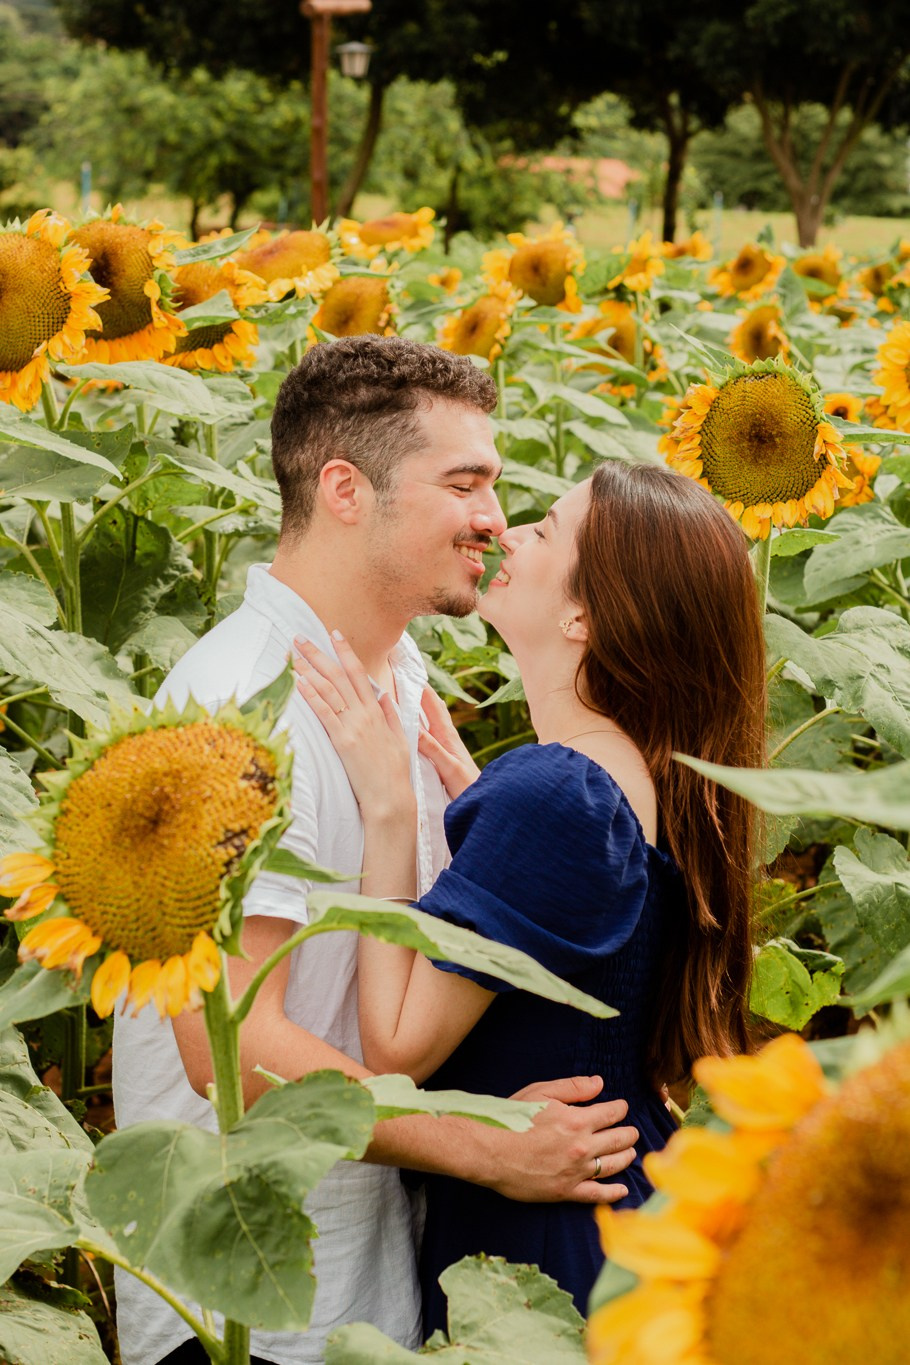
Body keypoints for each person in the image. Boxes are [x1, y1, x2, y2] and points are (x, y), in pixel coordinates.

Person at [111, 336, 641, 1365]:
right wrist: (479, 1144)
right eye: (463, 484)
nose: (494, 517)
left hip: (368, 1274)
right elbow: (230, 1046)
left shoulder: (394, 678)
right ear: (346, 490)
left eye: (493, 484)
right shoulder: (240, 710)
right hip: (246, 1308)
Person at [293, 459, 767, 1331]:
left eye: (546, 530)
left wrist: (392, 810)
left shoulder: (555, 793)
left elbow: (394, 1052)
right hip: (617, 1219)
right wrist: (485, 815)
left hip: (546, 1253)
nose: (507, 533)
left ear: (585, 615)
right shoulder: (632, 777)